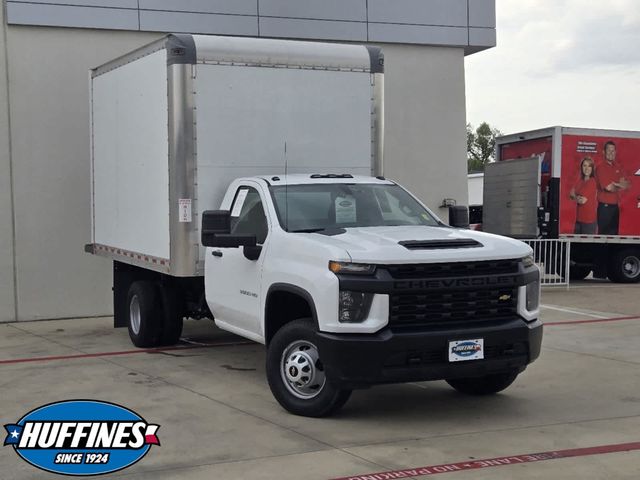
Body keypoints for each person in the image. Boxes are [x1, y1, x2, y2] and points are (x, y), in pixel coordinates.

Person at [595, 141, 630, 235]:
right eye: (608, 150)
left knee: (614, 237)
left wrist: (616, 184)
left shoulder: (617, 167)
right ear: (604, 152)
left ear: (615, 152)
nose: (611, 153)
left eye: (613, 150)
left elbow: (627, 184)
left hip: (615, 207)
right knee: (604, 237)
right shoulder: (600, 167)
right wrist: (619, 185)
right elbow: (608, 188)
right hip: (604, 208)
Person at [569, 156, 597, 234]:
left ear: (592, 168)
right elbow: (570, 194)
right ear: (581, 167)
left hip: (588, 221)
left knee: (586, 246)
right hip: (579, 220)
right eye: (584, 165)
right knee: (576, 245)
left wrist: (575, 196)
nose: (587, 168)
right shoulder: (580, 181)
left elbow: (582, 201)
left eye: (589, 166)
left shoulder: (592, 182)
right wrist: (577, 197)